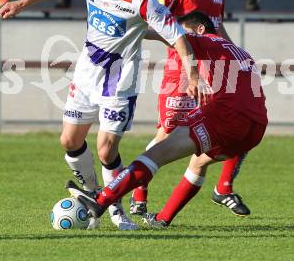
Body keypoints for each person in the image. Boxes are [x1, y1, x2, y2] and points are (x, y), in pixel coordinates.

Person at [0, 0, 198, 231]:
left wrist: (192, 73)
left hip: (119, 81)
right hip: (86, 73)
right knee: (69, 141)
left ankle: (116, 210)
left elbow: (178, 36)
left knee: (106, 150)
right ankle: (93, 191)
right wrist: (21, 2)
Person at [66, 11, 268, 228]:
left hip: (227, 116)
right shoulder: (241, 52)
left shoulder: (205, 40)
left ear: (200, 29)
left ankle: (100, 201)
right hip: (256, 128)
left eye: (185, 32)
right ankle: (162, 220)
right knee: (198, 163)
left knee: (156, 153)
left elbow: (168, 35)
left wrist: (127, 30)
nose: (178, 44)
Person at [130, 0, 251, 218]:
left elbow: (216, 26)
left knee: (240, 124)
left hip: (215, 71)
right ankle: (138, 195)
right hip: (182, 72)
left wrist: (236, 54)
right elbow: (149, 23)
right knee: (167, 134)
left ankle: (223, 187)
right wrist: (180, 42)